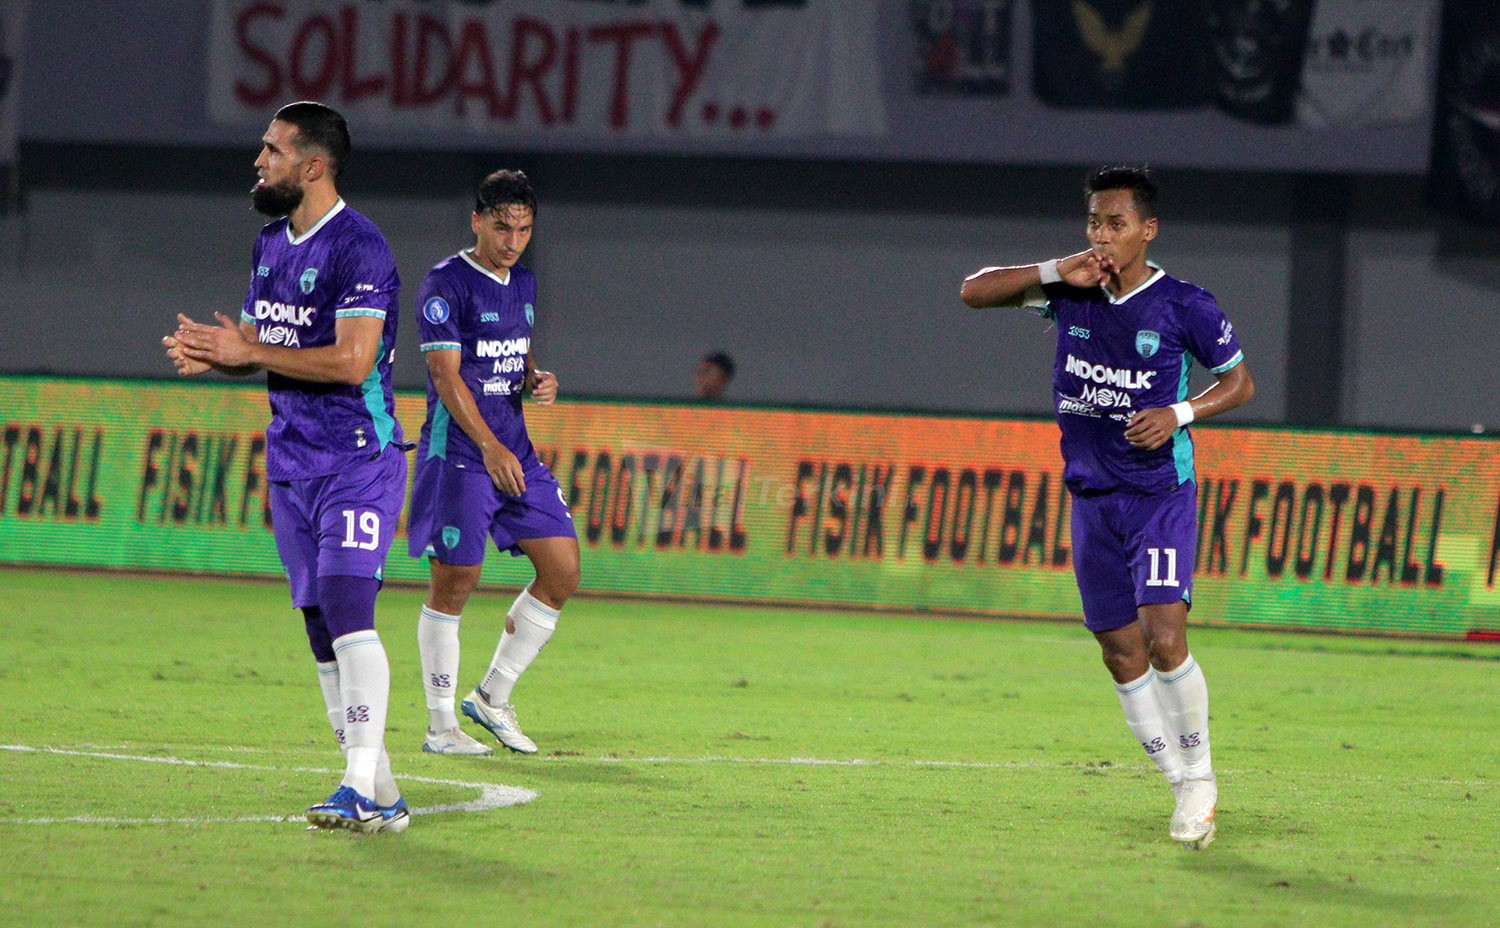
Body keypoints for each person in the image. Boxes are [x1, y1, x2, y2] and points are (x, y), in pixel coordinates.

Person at [959, 164, 1254, 850]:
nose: (1101, 235)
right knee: (1120, 653)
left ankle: (1200, 778)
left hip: (1158, 494)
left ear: (1147, 231)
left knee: (1164, 637)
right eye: (1094, 222)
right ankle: (1177, 781)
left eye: (1115, 224)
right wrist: (1055, 269)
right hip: (1091, 497)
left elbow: (1239, 382)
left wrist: (1179, 413)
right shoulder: (1070, 290)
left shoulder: (1184, 305)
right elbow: (973, 292)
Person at [163, 101, 409, 833]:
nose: (258, 161)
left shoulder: (361, 247)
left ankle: (356, 786)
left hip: (358, 457)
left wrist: (249, 351)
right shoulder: (271, 243)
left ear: (313, 165)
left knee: (348, 607)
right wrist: (221, 355)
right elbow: (263, 348)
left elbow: (354, 361)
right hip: (292, 460)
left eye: (272, 150)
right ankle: (385, 795)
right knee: (319, 626)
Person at [407, 169, 581, 757]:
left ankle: (491, 697)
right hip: (461, 453)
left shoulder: (523, 282)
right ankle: (440, 727)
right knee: (456, 582)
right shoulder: (445, 284)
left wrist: (534, 377)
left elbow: (513, 348)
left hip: (514, 450)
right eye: (502, 227)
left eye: (524, 230)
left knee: (562, 570)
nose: (513, 241)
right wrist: (488, 445)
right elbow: (445, 376)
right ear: (477, 221)